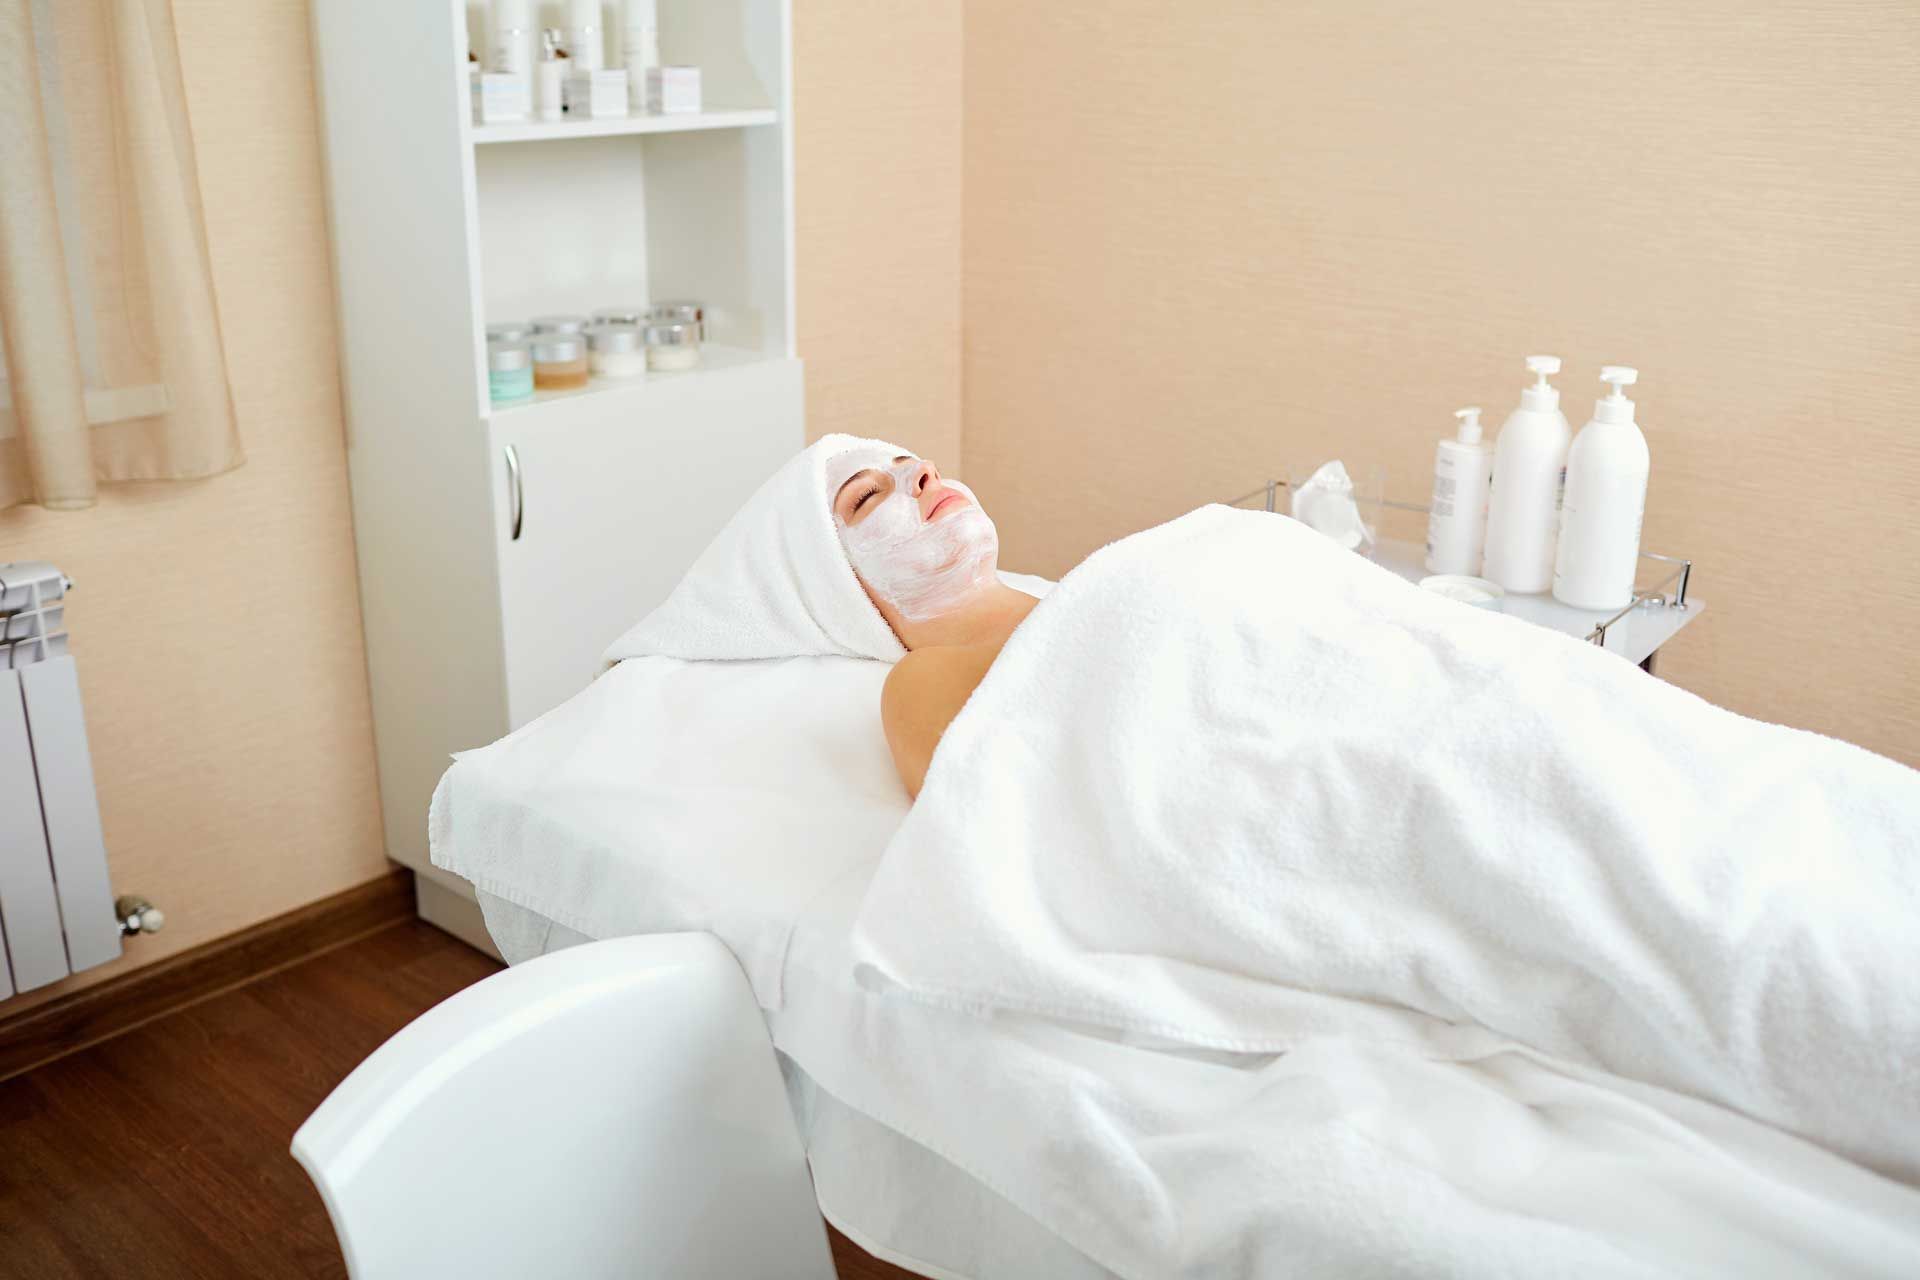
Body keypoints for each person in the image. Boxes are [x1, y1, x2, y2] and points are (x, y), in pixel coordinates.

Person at [828, 452, 1036, 796]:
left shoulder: (1099, 581)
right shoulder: (919, 682)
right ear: (841, 585)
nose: (928, 471)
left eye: (913, 463)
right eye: (866, 496)